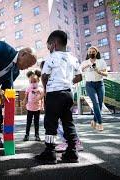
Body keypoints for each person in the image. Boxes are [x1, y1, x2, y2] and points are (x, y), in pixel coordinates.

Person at [35, 30, 82, 164]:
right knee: (68, 122)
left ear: (54, 44)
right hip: (68, 94)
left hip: (54, 94)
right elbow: (79, 77)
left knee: (51, 123)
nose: (48, 48)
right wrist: (68, 83)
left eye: (48, 45)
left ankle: (50, 151)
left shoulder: (51, 57)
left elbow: (44, 76)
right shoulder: (73, 58)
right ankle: (72, 152)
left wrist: (46, 89)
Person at [80, 46, 108, 131]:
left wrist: (98, 70)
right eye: (90, 51)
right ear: (88, 53)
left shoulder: (101, 61)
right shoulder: (85, 62)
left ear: (96, 53)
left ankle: (94, 121)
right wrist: (87, 66)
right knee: (95, 103)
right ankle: (100, 124)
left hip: (100, 84)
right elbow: (80, 70)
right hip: (89, 85)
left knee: (99, 104)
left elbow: (106, 73)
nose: (91, 53)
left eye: (93, 51)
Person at [23, 70, 44, 141]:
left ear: (38, 81)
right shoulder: (28, 88)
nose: (33, 83)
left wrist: (42, 106)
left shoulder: (40, 89)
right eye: (31, 82)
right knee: (28, 122)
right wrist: (24, 102)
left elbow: (42, 99)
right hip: (29, 108)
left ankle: (37, 135)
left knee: (36, 122)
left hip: (37, 108)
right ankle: (26, 135)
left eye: (34, 81)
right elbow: (26, 96)